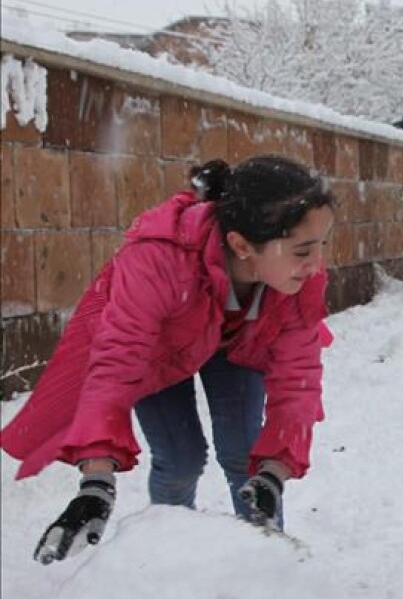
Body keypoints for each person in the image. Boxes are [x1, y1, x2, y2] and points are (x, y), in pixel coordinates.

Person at [0, 156, 335, 563]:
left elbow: (298, 381)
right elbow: (116, 364)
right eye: (303, 250)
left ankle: (267, 572)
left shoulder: (299, 279)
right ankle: (167, 567)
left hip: (238, 344)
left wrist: (274, 474)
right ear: (242, 245)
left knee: (247, 457)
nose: (317, 263)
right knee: (180, 459)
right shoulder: (159, 259)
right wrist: (96, 483)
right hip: (164, 350)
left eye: (322, 244)